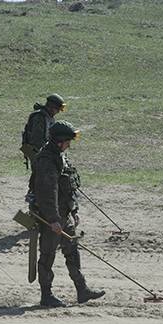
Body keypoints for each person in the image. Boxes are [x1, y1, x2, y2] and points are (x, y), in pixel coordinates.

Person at [33, 120, 105, 307]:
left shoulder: (59, 156)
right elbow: (47, 193)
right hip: (52, 217)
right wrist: (53, 220)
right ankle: (46, 295)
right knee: (48, 255)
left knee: (72, 251)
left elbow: (67, 187)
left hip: (64, 214)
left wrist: (74, 211)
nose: (69, 145)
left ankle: (82, 290)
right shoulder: (47, 160)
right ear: (59, 141)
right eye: (67, 141)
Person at [21, 94, 66, 201]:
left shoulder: (48, 117)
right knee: (39, 171)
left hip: (40, 150)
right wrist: (46, 153)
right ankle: (33, 193)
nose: (58, 112)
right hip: (33, 149)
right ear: (51, 107)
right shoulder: (40, 117)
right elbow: (37, 139)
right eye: (57, 109)